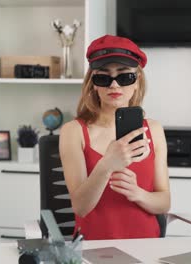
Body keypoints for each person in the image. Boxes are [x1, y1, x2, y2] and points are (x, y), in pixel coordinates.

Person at [59, 35, 170, 240]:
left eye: (125, 76)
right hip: (94, 249)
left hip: (147, 247)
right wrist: (107, 165)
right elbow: (81, 208)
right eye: (103, 77)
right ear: (93, 84)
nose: (114, 85)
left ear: (137, 82)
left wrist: (137, 193)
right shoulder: (73, 131)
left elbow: (164, 202)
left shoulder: (154, 130)